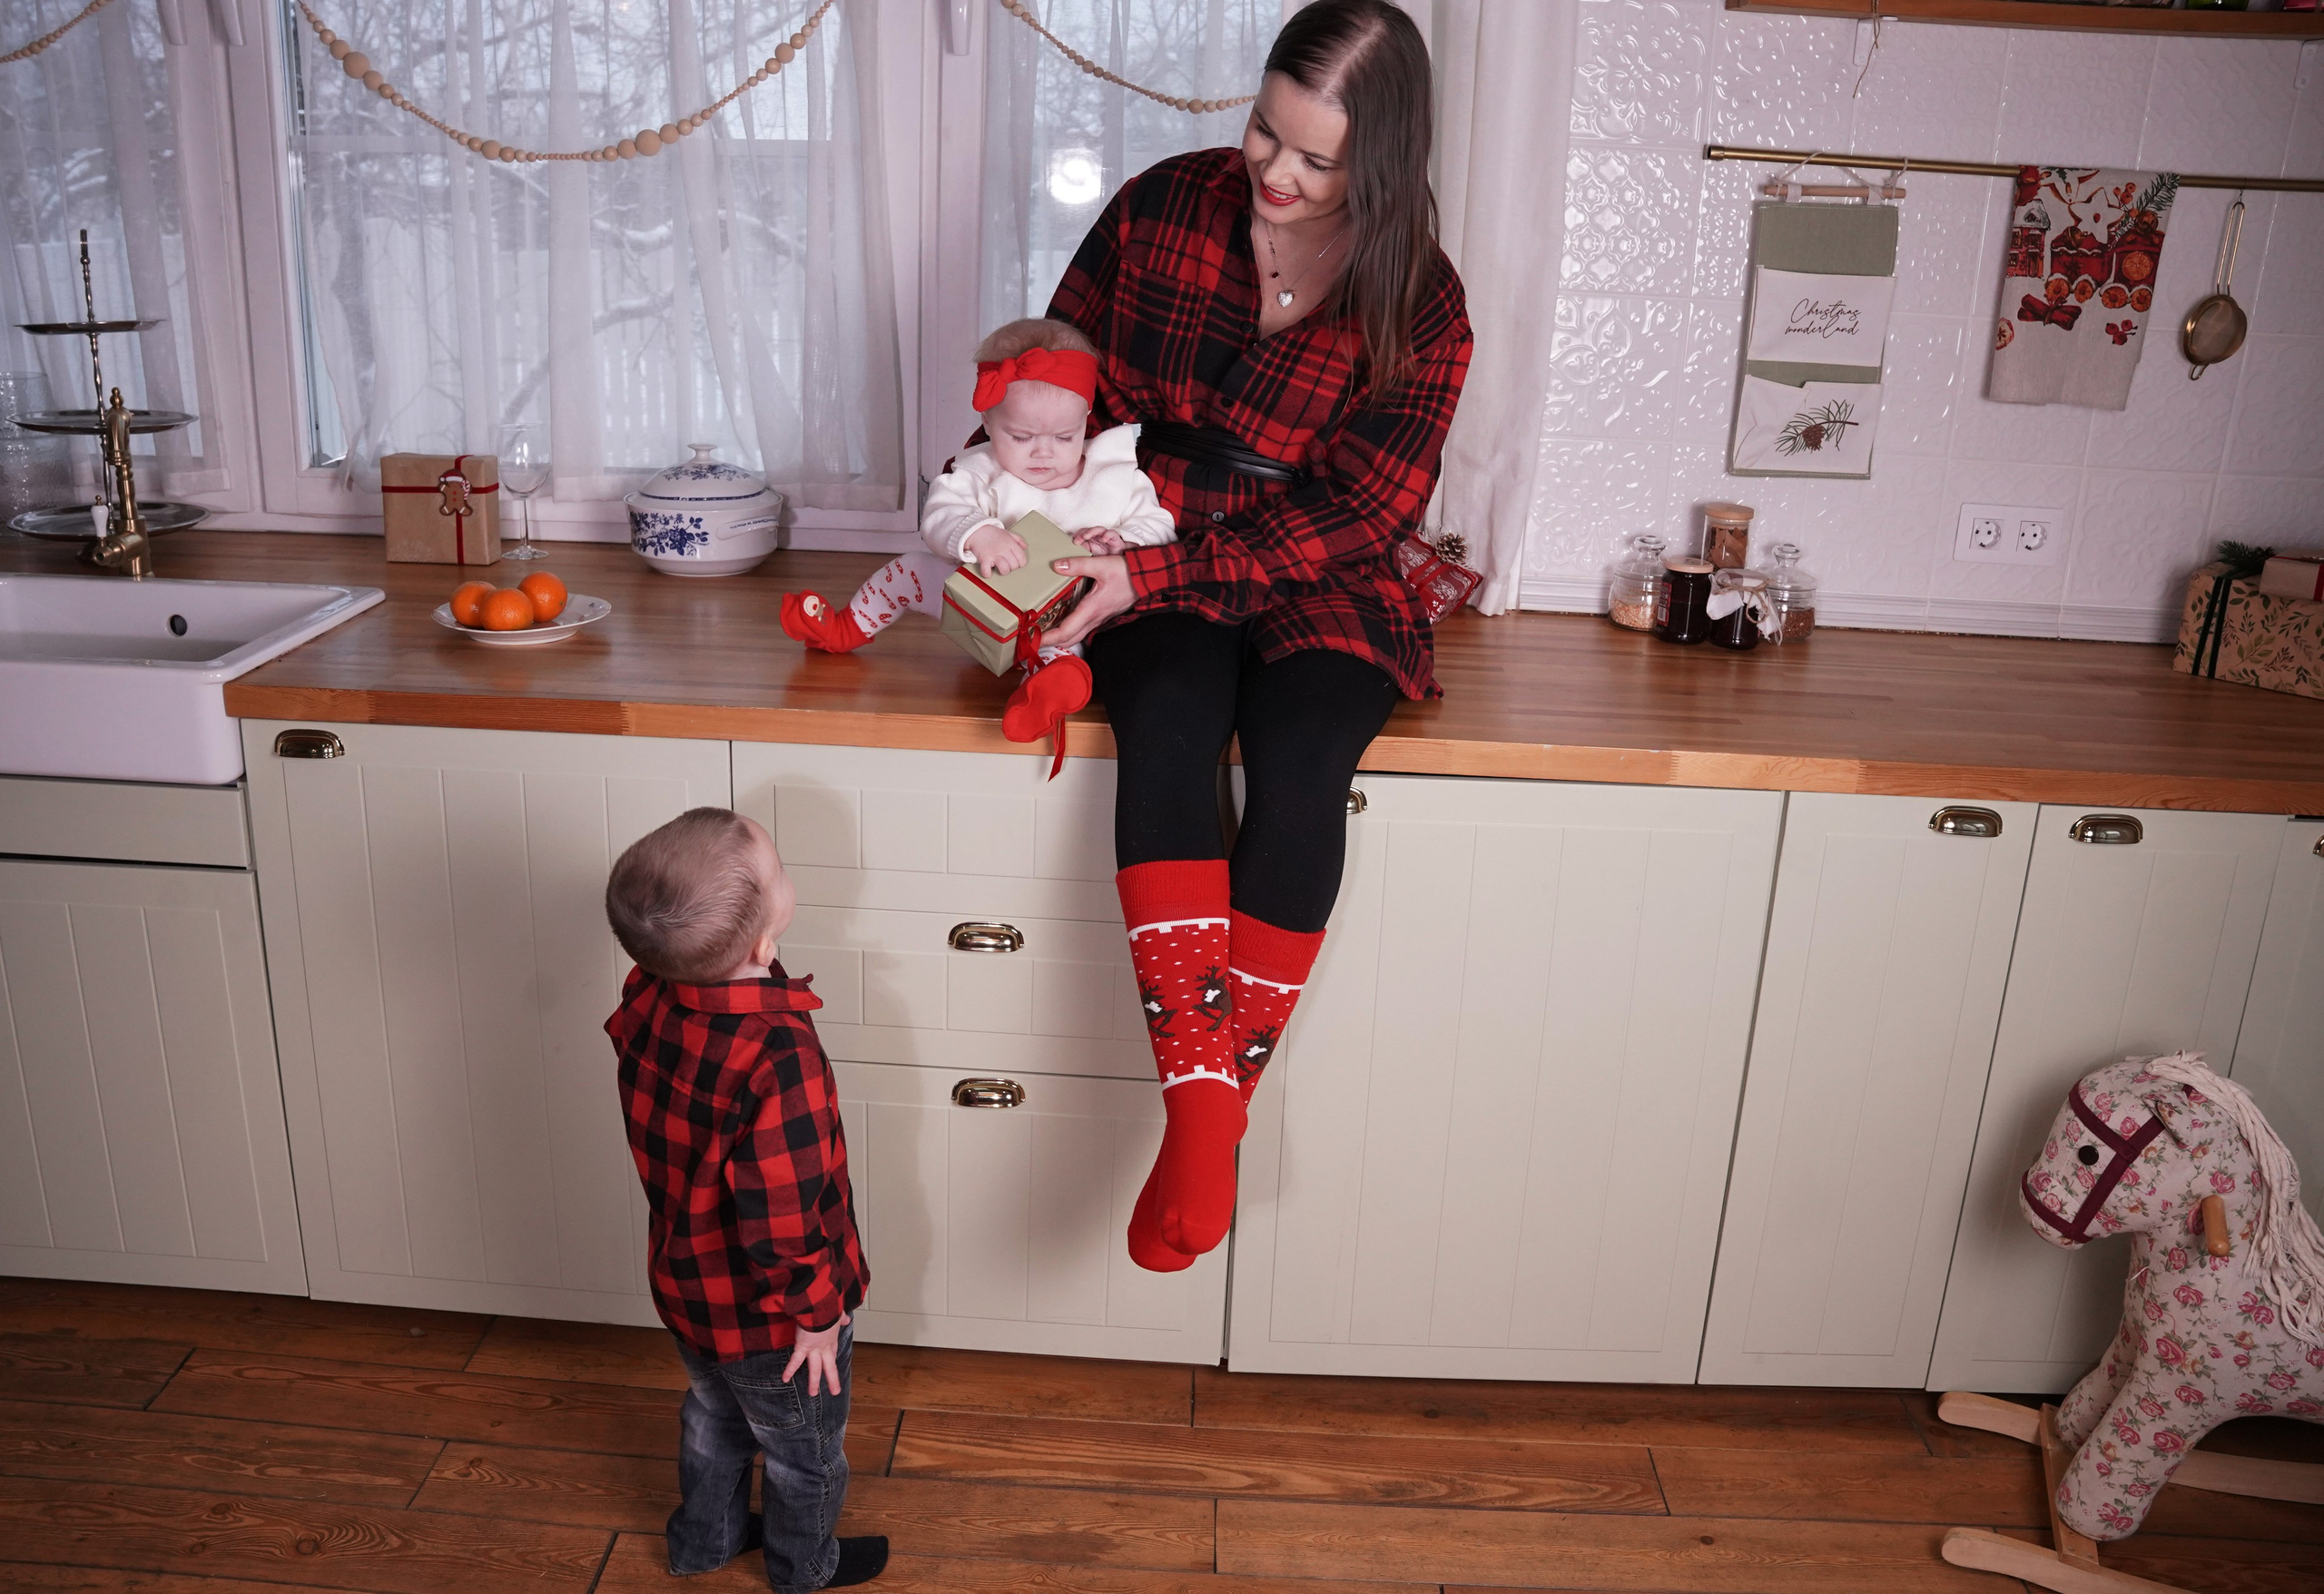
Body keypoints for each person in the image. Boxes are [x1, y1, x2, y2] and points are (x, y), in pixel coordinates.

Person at [1036, 0, 1472, 1274]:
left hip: (1320, 562)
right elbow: (1056, 385)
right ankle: (1207, 1119)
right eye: (1264, 133)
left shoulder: (1426, 302)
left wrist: (1180, 564)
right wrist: (1002, 512)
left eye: (1317, 159)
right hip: (1142, 527)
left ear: (1380, 159)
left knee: (1305, 762)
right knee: (1170, 718)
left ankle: (1204, 1117)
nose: (1275, 173)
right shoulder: (1160, 207)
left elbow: (1366, 510)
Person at [603, 807, 887, 1592]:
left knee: (714, 1418)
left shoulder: (651, 989)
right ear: (763, 946)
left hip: (689, 1285)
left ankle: (704, 1542)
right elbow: (784, 1219)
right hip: (775, 1322)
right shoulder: (779, 1057)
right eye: (780, 868)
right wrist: (818, 1315)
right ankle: (804, 1569)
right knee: (803, 1452)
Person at [780, 317, 1175, 745]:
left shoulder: (1114, 476)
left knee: (1063, 643)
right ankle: (844, 628)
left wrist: (1127, 542)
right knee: (909, 569)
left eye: (1065, 437)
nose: (1043, 453)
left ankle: (1049, 690)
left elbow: (1159, 525)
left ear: (1086, 417)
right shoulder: (980, 470)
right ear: (987, 421)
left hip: (1058, 617)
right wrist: (979, 532)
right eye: (1021, 437)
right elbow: (940, 513)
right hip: (973, 602)